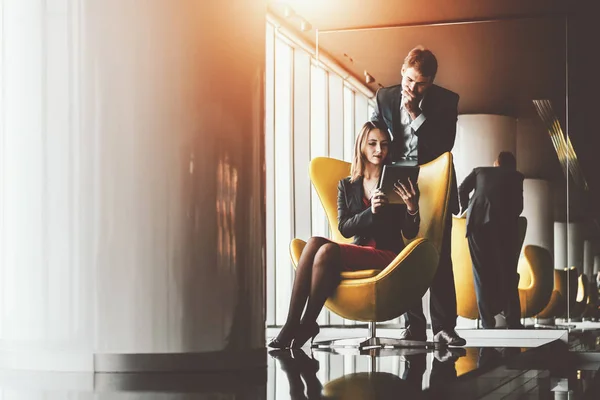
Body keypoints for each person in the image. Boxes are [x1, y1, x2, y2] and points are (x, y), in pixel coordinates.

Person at [268, 121, 420, 349]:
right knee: (314, 243)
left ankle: (308, 322)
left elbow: (409, 232)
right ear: (361, 146)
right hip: (361, 250)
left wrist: (411, 207)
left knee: (327, 250)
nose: (379, 150)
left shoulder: (396, 182)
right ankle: (292, 324)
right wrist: (371, 212)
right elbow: (345, 228)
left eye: (384, 145)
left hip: (388, 254)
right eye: (373, 144)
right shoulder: (347, 186)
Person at [371, 45, 465, 346]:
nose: (412, 87)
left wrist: (415, 114)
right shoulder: (384, 97)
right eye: (409, 79)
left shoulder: (447, 102)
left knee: (438, 256)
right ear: (402, 70)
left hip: (434, 183)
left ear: (432, 81)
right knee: (403, 254)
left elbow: (443, 146)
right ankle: (413, 325)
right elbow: (373, 136)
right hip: (397, 183)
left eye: (420, 83)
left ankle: (444, 327)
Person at [458, 151, 525, 329]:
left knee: (480, 273)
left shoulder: (480, 171)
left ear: (496, 163)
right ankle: (512, 320)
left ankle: (487, 322)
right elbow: (519, 207)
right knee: (507, 273)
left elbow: (462, 189)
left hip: (476, 223)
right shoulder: (516, 176)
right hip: (503, 227)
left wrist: (466, 208)